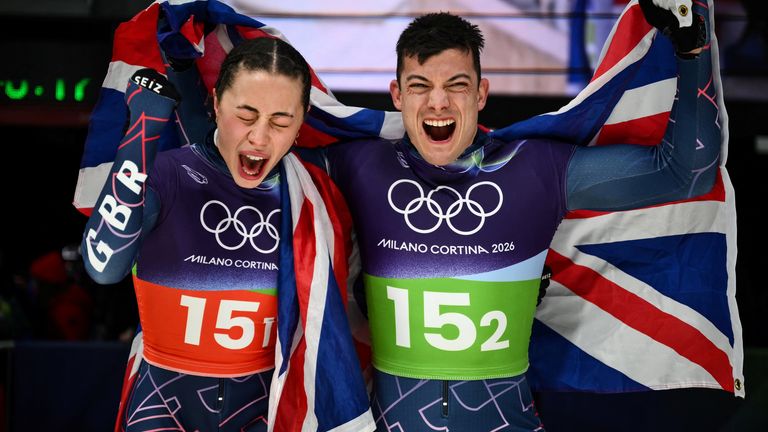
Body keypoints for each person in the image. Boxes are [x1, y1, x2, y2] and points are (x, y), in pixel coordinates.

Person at [301, 1, 719, 430]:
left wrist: (692, 49)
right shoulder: (361, 166)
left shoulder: (537, 170)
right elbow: (254, 160)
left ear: (482, 93)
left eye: (457, 85)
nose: (438, 102)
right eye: (420, 85)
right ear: (397, 95)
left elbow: (686, 174)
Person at [81, 36, 371, 431]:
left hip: (260, 410)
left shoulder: (314, 196)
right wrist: (142, 132)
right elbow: (103, 266)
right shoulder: (167, 174)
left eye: (281, 122)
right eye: (246, 116)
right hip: (161, 406)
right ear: (216, 103)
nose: (260, 137)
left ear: (302, 121)